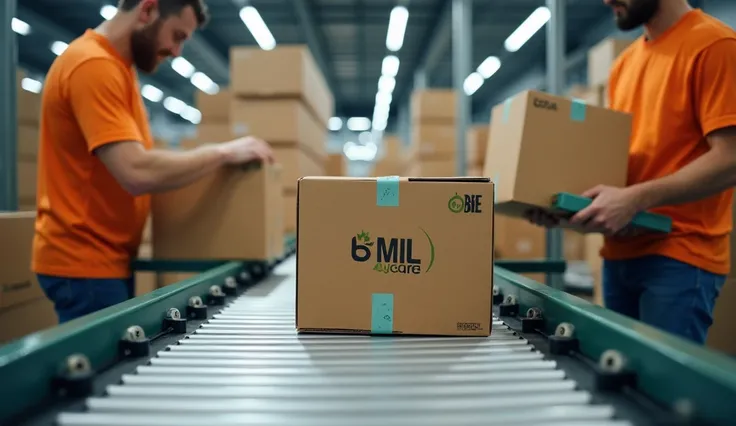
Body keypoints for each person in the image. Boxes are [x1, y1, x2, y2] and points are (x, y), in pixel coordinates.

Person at [31, 0, 274, 324]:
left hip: (104, 260)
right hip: (85, 262)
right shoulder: (92, 65)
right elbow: (135, 171)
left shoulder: (117, 68)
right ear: (147, 10)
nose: (176, 51)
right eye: (177, 36)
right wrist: (223, 153)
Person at [526, 0, 736, 345]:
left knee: (662, 392)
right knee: (621, 384)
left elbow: (730, 158)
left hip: (679, 257)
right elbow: (624, 168)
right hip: (619, 254)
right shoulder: (625, 64)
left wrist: (635, 199)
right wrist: (565, 207)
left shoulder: (714, 45)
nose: (606, 0)